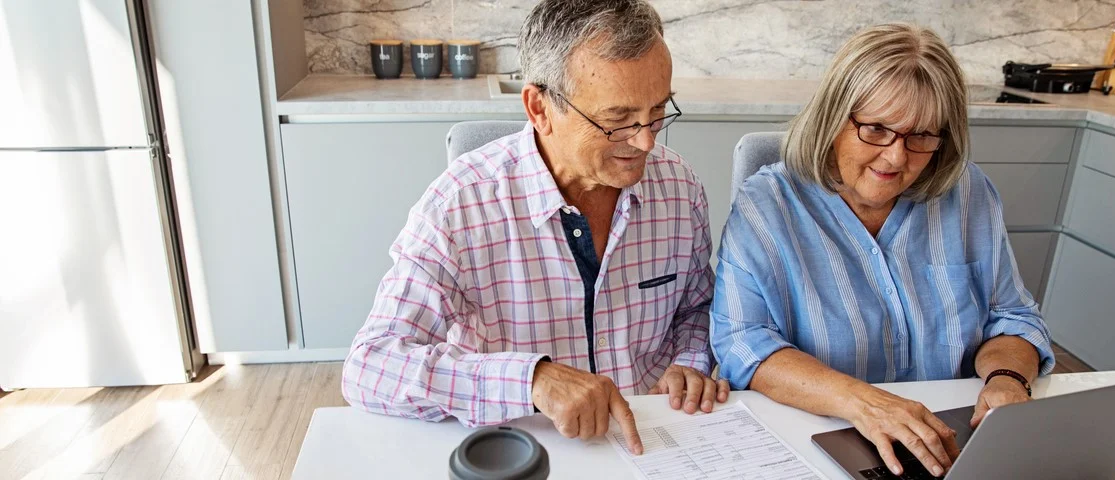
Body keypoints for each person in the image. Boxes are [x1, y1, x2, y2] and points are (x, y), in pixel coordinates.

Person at [342, 0, 729, 454]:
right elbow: (371, 366)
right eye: (617, 120)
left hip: (657, 441)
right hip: (524, 448)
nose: (645, 140)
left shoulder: (679, 188)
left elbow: (696, 308)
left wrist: (689, 360)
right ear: (539, 108)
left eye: (658, 111)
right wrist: (531, 379)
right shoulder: (460, 204)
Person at [710, 23, 1055, 477]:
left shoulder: (968, 193)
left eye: (922, 137)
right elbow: (742, 343)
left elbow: (1011, 316)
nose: (896, 158)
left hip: (952, 439)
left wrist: (1007, 380)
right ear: (833, 118)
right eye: (875, 129)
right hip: (823, 438)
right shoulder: (768, 204)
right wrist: (865, 404)